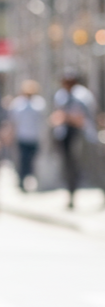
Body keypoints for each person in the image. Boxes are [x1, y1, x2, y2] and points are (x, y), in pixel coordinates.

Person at [50, 69, 97, 207]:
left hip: (81, 135)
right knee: (69, 167)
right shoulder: (61, 95)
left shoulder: (82, 95)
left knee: (88, 166)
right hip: (65, 134)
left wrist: (66, 117)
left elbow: (82, 118)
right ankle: (71, 195)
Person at [8, 79, 46, 190]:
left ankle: (31, 180)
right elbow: (13, 121)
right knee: (22, 160)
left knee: (33, 161)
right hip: (22, 136)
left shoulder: (39, 103)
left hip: (34, 137)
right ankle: (21, 181)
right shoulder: (18, 103)